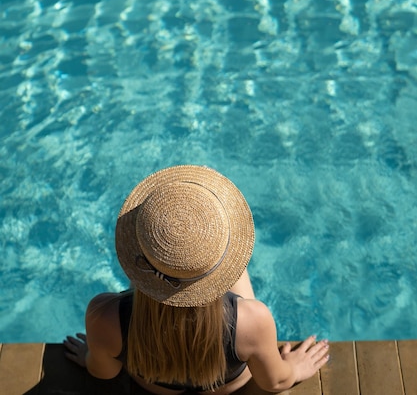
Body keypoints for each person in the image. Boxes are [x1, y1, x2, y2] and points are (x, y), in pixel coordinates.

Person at [64, 165, 329, 393]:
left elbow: (104, 373)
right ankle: (198, 262)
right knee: (237, 285)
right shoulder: (254, 322)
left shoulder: (104, 316)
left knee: (153, 287)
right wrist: (294, 368)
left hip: (156, 385)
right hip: (222, 386)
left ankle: (172, 263)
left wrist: (91, 354)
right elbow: (274, 382)